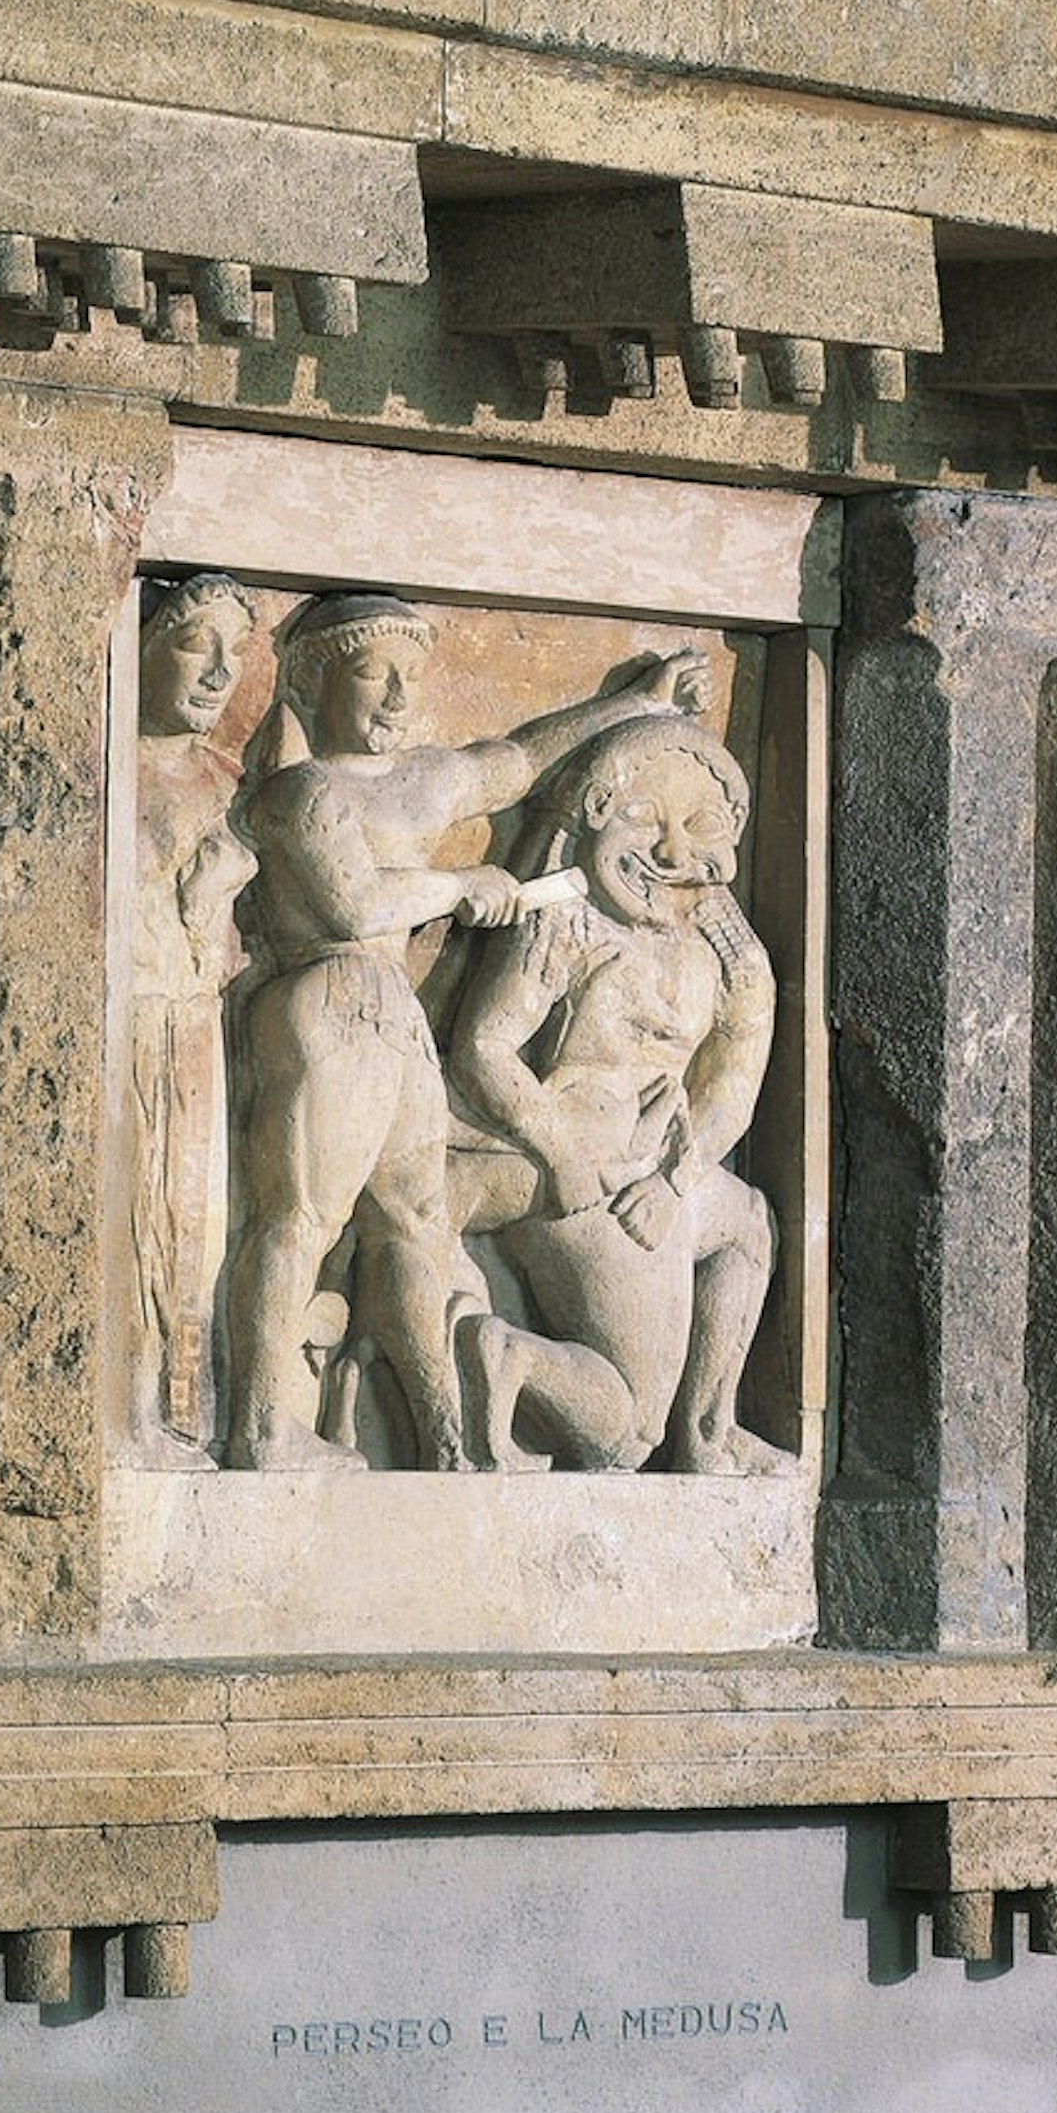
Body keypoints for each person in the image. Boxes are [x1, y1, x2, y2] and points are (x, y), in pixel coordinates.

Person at [214, 596, 710, 1469]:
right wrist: (458, 884)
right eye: (373, 674)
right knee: (303, 1214)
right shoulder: (301, 793)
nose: (399, 698)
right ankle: (257, 1423)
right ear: (311, 680)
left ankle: (446, 1438)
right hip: (328, 994)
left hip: (395, 1021)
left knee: (416, 1222)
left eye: (412, 677)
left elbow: (512, 762)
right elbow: (353, 902)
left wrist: (639, 706)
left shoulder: (417, 782)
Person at [445, 711, 782, 1473]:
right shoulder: (567, 924)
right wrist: (558, 1144)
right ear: (595, 817)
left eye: (697, 828)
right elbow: (484, 1047)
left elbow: (733, 1087)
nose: (672, 851)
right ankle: (507, 1355)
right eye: (642, 819)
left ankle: (708, 1433)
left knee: (749, 1224)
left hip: (655, 1175)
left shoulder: (723, 957)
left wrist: (676, 1179)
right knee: (625, 1438)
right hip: (588, 1169)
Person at [123, 574, 256, 1461]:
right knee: (135, 1211)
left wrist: (217, 895)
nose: (219, 672)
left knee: (197, 1222)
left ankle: (184, 1414)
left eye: (235, 653)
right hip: (132, 1015)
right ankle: (128, 1410)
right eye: (193, 643)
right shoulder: (109, 756)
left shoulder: (224, 778)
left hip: (197, 1019)